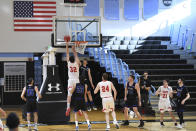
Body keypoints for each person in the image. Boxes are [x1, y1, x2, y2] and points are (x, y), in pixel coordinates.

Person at [65, 39, 81, 116]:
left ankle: (68, 107)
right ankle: (79, 109)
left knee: (69, 95)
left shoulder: (68, 63)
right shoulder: (77, 63)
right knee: (78, 95)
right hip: (77, 80)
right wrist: (74, 49)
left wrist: (67, 44)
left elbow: (67, 53)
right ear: (74, 59)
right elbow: (75, 55)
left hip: (71, 80)